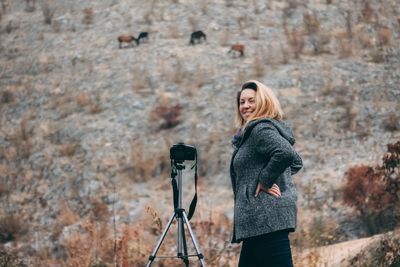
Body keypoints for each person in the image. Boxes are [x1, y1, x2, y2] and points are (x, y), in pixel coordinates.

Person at [230, 80, 303, 267]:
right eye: (242, 102)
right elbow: (295, 161)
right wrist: (277, 176)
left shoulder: (260, 129)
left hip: (266, 219)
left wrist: (265, 180)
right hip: (257, 223)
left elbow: (286, 154)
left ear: (263, 102)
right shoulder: (250, 133)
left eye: (251, 101)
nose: (245, 106)